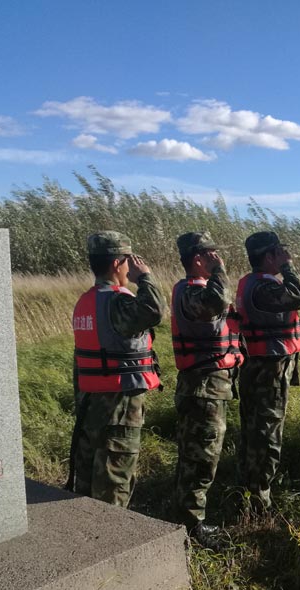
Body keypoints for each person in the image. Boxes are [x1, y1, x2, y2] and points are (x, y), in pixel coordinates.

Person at [68, 231, 166, 507]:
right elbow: (155, 310)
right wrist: (144, 277)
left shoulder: (85, 302)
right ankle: (111, 544)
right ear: (116, 264)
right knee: (113, 487)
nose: (130, 267)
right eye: (128, 262)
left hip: (90, 409)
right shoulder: (118, 303)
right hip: (118, 412)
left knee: (86, 486)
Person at [170, 232, 244, 550]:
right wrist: (220, 271)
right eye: (211, 255)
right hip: (202, 389)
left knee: (201, 456)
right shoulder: (191, 293)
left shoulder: (197, 291)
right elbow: (216, 302)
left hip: (210, 387)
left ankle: (189, 519)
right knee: (201, 459)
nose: (217, 259)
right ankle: (191, 527)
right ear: (197, 259)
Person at [236, 231, 300, 512]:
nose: (285, 257)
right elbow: (298, 296)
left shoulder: (252, 284)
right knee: (267, 431)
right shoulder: (263, 288)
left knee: (255, 427)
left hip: (259, 365)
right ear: (268, 257)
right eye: (280, 253)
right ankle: (260, 499)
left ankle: (250, 487)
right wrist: (288, 267)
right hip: (269, 369)